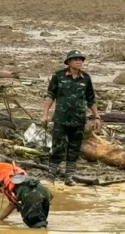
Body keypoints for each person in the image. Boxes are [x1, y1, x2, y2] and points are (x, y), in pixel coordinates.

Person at [41, 50, 101, 186]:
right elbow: (50, 95)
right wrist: (45, 115)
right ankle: (51, 174)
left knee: (74, 148)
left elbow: (91, 99)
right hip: (61, 119)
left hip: (79, 120)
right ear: (68, 62)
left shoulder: (85, 78)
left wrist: (97, 117)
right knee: (58, 147)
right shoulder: (59, 76)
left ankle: (69, 176)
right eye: (75, 59)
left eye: (81, 59)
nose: (79, 61)